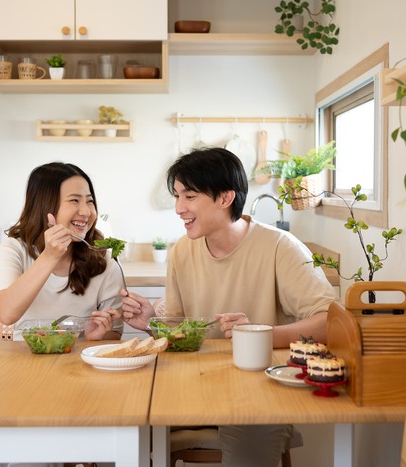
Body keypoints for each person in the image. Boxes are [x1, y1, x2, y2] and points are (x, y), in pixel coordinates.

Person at [120, 147, 336, 467]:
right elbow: (182, 331)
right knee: (128, 433)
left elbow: (331, 322)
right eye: (177, 196)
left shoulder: (280, 247)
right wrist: (155, 321)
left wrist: (258, 334)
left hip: (258, 392)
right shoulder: (181, 251)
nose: (179, 208)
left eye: (189, 196)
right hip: (192, 385)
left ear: (225, 198)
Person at [0, 162, 123, 342]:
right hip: (24, 359)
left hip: (78, 363)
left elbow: (115, 333)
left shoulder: (104, 262)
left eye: (90, 201)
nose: (86, 211)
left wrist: (99, 336)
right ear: (45, 206)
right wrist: (49, 257)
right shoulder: (14, 250)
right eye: (74, 200)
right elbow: (6, 314)